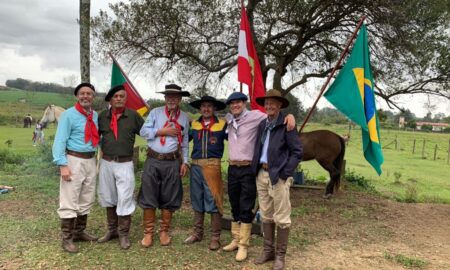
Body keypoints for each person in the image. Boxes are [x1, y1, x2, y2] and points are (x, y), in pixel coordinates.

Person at [223, 92, 296, 262]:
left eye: (238, 103)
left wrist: (290, 116)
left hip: (249, 168)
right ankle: (236, 239)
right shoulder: (229, 119)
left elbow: (277, 116)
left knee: (246, 205)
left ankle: (244, 245)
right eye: (232, 103)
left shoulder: (257, 117)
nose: (235, 106)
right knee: (234, 204)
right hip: (233, 167)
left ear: (244, 103)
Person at [251, 89, 302, 270]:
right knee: (265, 214)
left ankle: (280, 255)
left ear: (280, 105)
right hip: (262, 174)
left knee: (281, 216)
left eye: (273, 103)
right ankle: (268, 251)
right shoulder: (263, 124)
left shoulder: (286, 124)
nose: (269, 106)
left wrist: (285, 173)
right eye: (266, 103)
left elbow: (297, 152)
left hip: (278, 176)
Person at [139, 83, 190, 247]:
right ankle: (148, 233)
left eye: (175, 96)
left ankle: (164, 231)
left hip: (172, 161)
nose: (172, 99)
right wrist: (162, 131)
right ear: (165, 98)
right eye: (169, 96)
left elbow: (185, 143)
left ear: (180, 99)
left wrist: (185, 162)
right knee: (149, 194)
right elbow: (143, 132)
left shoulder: (184, 118)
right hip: (153, 160)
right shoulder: (155, 113)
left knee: (170, 195)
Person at [52, 82, 99, 253]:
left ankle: (79, 232)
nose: (85, 96)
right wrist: (62, 164)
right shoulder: (68, 115)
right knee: (69, 198)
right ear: (77, 96)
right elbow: (60, 140)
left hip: (90, 160)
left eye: (89, 93)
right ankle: (67, 238)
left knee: (86, 196)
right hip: (73, 159)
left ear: (93, 97)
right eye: (82, 93)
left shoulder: (95, 116)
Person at [97, 85, 145, 249]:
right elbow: (93, 136)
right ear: (110, 99)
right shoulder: (102, 116)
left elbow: (147, 132)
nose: (118, 99)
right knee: (108, 196)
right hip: (106, 163)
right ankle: (112, 231)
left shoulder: (133, 116)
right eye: (115, 96)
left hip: (124, 163)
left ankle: (123, 234)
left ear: (126, 99)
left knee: (125, 197)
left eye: (122, 96)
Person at [184, 96, 227, 250]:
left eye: (209, 106)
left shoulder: (222, 124)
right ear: (200, 108)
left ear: (214, 108)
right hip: (195, 166)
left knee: (214, 199)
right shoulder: (194, 124)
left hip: (212, 166)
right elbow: (183, 140)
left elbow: (237, 137)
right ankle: (197, 233)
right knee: (197, 198)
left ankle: (215, 237)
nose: (206, 109)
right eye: (203, 106)